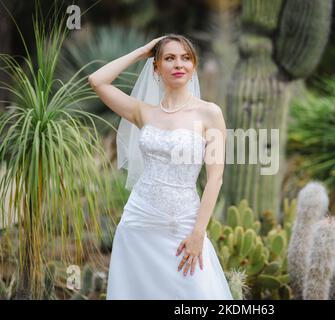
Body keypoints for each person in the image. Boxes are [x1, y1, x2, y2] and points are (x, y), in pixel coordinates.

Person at [88, 34, 233, 299]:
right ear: (156, 67)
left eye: (186, 58)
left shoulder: (209, 113)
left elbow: (216, 179)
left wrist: (198, 233)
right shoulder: (144, 112)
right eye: (169, 58)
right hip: (139, 221)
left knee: (197, 291)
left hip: (184, 223)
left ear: (194, 66)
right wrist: (142, 51)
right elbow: (97, 81)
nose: (179, 64)